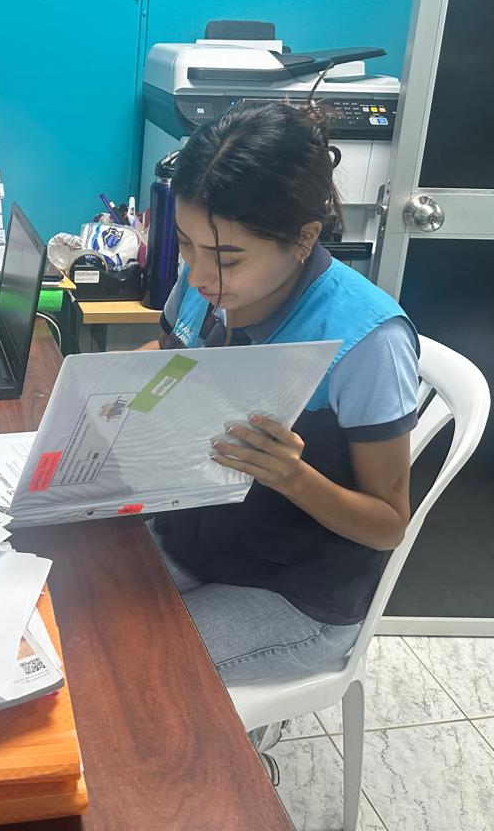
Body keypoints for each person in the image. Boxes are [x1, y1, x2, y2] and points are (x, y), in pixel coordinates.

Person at [144, 101, 419, 693]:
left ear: (304, 238)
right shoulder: (204, 285)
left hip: (295, 592)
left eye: (227, 258)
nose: (199, 275)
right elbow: (168, 358)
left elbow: (387, 526)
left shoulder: (366, 341)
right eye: (187, 245)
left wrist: (292, 476)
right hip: (195, 536)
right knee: (73, 598)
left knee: (134, 676)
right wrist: (116, 391)